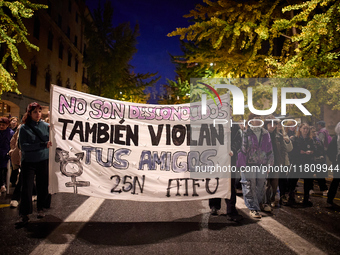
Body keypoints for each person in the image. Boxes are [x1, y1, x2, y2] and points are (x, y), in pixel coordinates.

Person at [18, 102, 52, 224]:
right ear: (29, 113)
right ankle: (25, 212)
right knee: (27, 187)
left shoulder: (47, 126)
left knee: (43, 186)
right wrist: (42, 145)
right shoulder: (24, 128)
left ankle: (41, 208)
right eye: (34, 112)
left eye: (39, 111)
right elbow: (24, 146)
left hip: (43, 160)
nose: (38, 114)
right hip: (29, 162)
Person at [237, 114, 274, 218]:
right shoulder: (246, 133)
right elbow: (243, 150)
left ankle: (257, 204)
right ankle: (253, 208)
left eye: (259, 118)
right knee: (249, 186)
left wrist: (270, 164)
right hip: (249, 164)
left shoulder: (266, 133)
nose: (258, 120)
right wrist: (242, 165)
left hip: (262, 164)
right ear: (251, 121)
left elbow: (270, 150)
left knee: (261, 186)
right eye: (255, 118)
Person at [209, 124, 243, 221]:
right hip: (216, 159)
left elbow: (239, 141)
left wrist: (233, 149)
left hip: (229, 160)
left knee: (230, 185)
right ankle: (214, 206)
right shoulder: (214, 125)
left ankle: (231, 210)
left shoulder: (235, 127)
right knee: (215, 182)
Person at [263, 116, 293, 208]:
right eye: (270, 123)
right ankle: (265, 202)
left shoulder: (279, 136)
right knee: (266, 184)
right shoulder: (263, 134)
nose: (273, 126)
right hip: (265, 163)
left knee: (274, 184)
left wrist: (282, 163)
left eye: (275, 124)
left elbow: (283, 150)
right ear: (266, 124)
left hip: (276, 162)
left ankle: (271, 200)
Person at [288, 123, 315, 207]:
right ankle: (291, 198)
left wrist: (311, 152)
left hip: (307, 162)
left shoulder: (311, 140)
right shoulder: (295, 139)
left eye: (307, 129)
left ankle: (306, 198)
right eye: (304, 128)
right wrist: (299, 152)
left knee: (307, 181)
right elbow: (291, 151)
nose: (305, 130)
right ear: (300, 129)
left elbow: (315, 149)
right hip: (297, 161)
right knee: (293, 180)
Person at [310, 126, 328, 195]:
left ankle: (324, 189)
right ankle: (310, 189)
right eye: (312, 131)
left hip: (319, 160)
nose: (314, 133)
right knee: (310, 175)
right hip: (312, 159)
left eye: (315, 131)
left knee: (321, 175)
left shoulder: (318, 139)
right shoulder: (309, 140)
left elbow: (322, 149)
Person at [327, 122, 340, 205]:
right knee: (336, 180)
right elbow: (329, 151)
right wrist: (334, 160)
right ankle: (330, 197)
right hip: (337, 162)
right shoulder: (335, 139)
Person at [0, 117, 14, 194]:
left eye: (3, 125)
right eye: (0, 125)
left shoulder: (10, 133)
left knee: (5, 170)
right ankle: (2, 184)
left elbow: (12, 144)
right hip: (0, 153)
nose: (1, 126)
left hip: (6, 154)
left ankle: (4, 184)